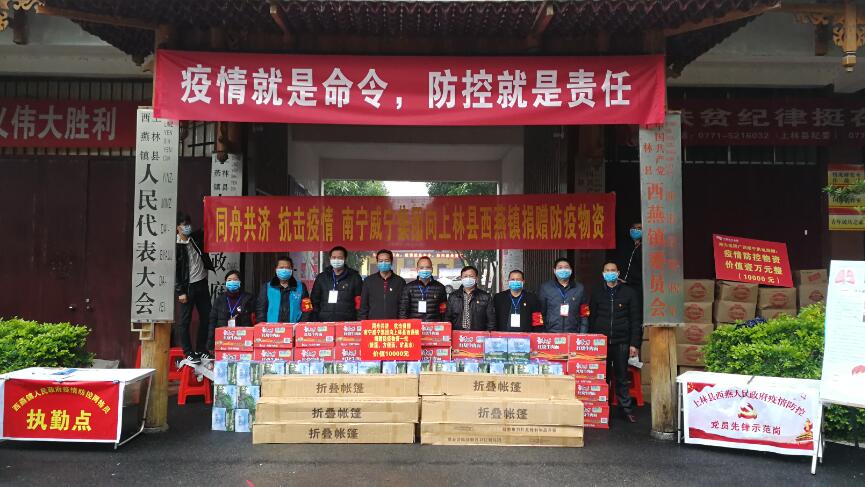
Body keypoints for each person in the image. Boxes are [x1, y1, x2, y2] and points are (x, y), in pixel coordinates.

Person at [588, 261, 642, 423]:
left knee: (622, 377)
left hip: (622, 341)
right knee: (601, 377)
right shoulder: (597, 293)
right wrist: (591, 341)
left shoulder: (629, 293)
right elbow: (592, 318)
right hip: (601, 342)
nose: (610, 273)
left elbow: (635, 319)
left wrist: (635, 343)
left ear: (618, 273)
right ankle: (601, 408)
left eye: (613, 270)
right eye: (607, 270)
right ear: (603, 273)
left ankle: (626, 410)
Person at [175, 212, 215, 364]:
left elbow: (207, 227)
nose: (188, 227)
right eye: (184, 225)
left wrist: (209, 204)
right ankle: (188, 352)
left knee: (207, 317)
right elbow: (174, 271)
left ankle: (201, 349)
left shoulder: (195, 238)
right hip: (187, 287)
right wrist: (180, 291)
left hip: (201, 283)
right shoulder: (175, 246)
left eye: (189, 224)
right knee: (185, 320)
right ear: (177, 227)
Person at [206, 270, 254, 355]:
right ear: (226, 282)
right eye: (229, 280)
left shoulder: (248, 298)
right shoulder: (220, 299)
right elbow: (212, 322)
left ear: (240, 282)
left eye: (235, 280)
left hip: (242, 338)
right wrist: (211, 343)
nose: (232, 282)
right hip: (224, 339)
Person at [310, 246, 363, 322]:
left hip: (347, 323)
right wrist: (315, 320)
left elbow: (360, 303)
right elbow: (314, 301)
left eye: (340, 258)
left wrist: (358, 321)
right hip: (324, 322)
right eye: (334, 257)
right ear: (330, 258)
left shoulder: (354, 277)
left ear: (345, 259)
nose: (336, 260)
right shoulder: (321, 277)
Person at [538, 257, 590, 333]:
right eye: (560, 267)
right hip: (551, 332)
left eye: (566, 267)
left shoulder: (580, 288)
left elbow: (584, 313)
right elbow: (541, 313)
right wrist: (543, 333)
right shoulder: (545, 288)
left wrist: (583, 332)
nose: (563, 270)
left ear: (571, 270)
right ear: (554, 271)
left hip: (573, 332)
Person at [255, 255, 312, 324]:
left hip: (294, 328)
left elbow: (307, 309)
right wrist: (263, 326)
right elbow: (260, 311)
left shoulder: (301, 287)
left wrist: (300, 325)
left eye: (287, 268)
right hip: (272, 328)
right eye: (281, 267)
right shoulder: (267, 287)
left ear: (292, 269)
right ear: (276, 269)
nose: (284, 270)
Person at [360, 249, 406, 319]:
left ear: (391, 262)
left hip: (394, 323)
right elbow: (363, 306)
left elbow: (403, 306)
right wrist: (363, 321)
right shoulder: (368, 281)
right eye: (380, 261)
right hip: (374, 323)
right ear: (377, 263)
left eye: (386, 261)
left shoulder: (400, 282)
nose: (383, 263)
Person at [445, 266, 495, 331]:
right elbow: (447, 319)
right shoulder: (453, 297)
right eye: (465, 276)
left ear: (476, 278)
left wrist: (488, 334)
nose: (468, 278)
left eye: (471, 276)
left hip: (477, 334)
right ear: (461, 278)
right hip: (457, 334)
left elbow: (491, 321)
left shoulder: (486, 297)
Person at [399, 256, 447, 321]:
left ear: (432, 269)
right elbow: (403, 311)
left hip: (433, 325)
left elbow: (443, 312)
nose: (425, 270)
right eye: (421, 268)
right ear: (417, 269)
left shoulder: (440, 287)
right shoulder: (408, 287)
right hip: (415, 326)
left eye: (428, 267)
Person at [617, 222, 643, 322]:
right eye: (634, 228)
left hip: (639, 287)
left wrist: (629, 281)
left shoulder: (644, 248)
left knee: (637, 313)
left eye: (639, 228)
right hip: (631, 286)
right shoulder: (633, 247)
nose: (636, 230)